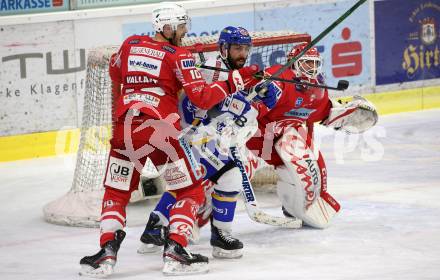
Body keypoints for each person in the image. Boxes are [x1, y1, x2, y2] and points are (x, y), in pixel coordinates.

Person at [79, 3, 260, 277]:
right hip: (160, 131)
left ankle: (105, 254)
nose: (184, 32)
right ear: (166, 27)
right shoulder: (179, 55)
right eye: (181, 27)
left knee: (116, 192)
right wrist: (234, 81)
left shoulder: (129, 44)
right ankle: (176, 250)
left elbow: (115, 74)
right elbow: (202, 98)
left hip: (125, 130)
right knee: (191, 191)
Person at [137, 26, 278, 259]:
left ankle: (155, 228)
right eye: (237, 48)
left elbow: (240, 116)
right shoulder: (210, 70)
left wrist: (261, 100)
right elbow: (194, 104)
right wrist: (233, 101)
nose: (242, 53)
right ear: (223, 48)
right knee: (223, 175)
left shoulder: (235, 72)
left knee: (200, 179)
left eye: (245, 48)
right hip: (188, 134)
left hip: (207, 137)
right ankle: (219, 237)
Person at [246, 42, 378, 228]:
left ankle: (297, 206)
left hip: (287, 134)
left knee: (315, 163)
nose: (312, 68)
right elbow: (254, 98)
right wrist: (262, 89)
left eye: (315, 64)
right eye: (307, 63)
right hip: (257, 135)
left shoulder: (317, 89)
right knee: (235, 174)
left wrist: (340, 114)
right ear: (293, 63)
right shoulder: (279, 75)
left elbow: (322, 112)